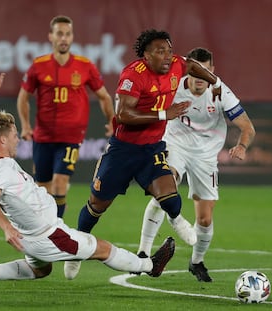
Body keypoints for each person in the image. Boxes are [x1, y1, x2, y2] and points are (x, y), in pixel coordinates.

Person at [0, 62, 175, 291]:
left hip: (30, 235)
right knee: (102, 249)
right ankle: (150, 266)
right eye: (13, 135)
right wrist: (5, 228)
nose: (17, 139)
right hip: (49, 235)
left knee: (39, 271)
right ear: (2, 140)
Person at [64, 30, 224, 279]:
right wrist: (164, 114)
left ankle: (175, 218)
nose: (168, 56)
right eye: (161, 52)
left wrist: (215, 82)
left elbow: (190, 65)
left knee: (171, 199)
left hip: (151, 149)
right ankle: (76, 251)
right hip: (123, 150)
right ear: (146, 56)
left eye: (170, 50)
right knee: (97, 205)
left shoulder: (175, 66)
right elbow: (124, 115)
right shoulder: (133, 75)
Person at [136, 47, 256, 282]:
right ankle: (143, 252)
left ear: (212, 72)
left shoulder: (221, 92)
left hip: (205, 156)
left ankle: (196, 261)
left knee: (204, 219)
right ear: (189, 71)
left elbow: (247, 127)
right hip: (176, 144)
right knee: (164, 189)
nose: (200, 79)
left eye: (206, 73)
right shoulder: (174, 87)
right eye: (196, 73)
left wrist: (241, 146)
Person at [17, 15, 114, 218]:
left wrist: (112, 121)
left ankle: (56, 228)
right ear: (50, 36)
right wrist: (25, 126)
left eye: (68, 34)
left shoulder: (85, 65)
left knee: (60, 182)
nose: (64, 38)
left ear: (72, 37)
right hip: (43, 136)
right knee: (42, 186)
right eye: (59, 34)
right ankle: (44, 227)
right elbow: (23, 98)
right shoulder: (38, 65)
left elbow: (104, 96)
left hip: (71, 136)